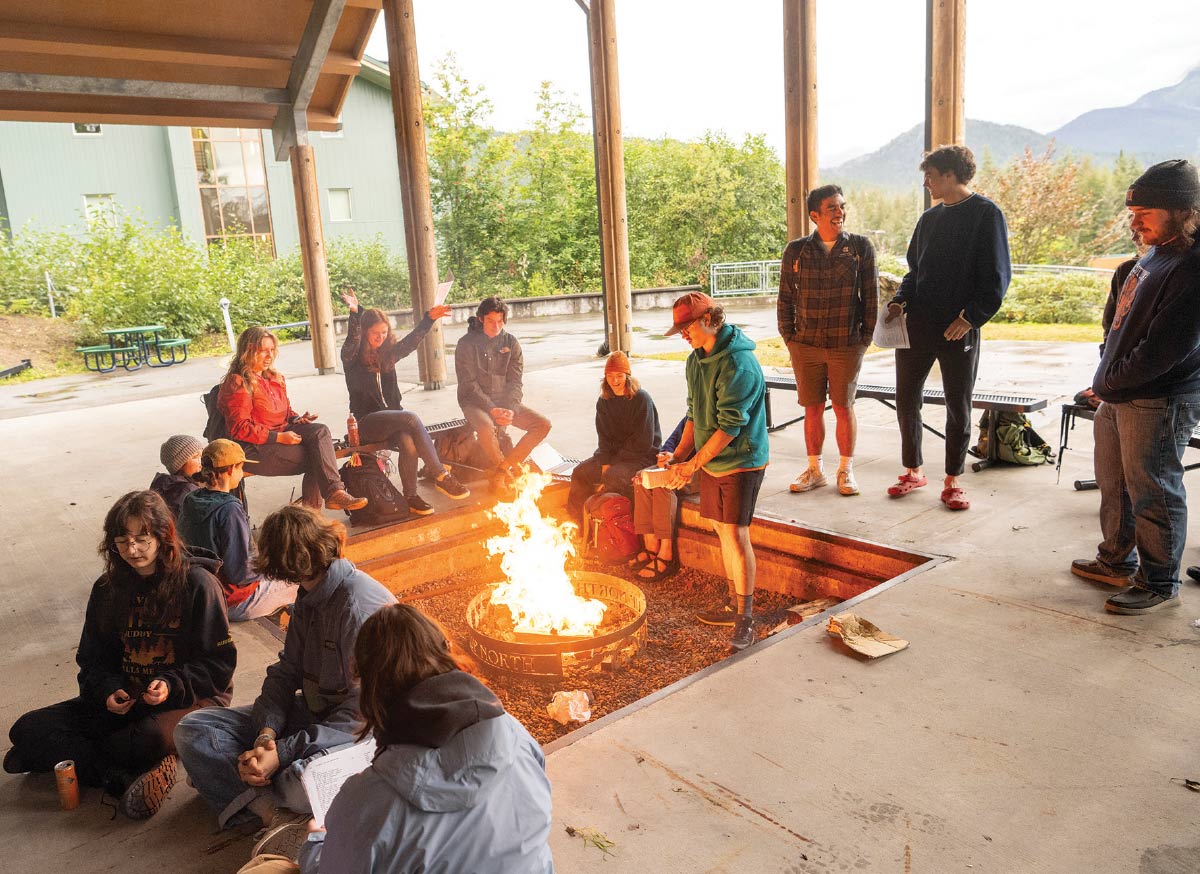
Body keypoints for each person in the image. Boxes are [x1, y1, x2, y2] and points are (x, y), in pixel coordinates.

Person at [173, 504, 396, 857]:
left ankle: (240, 788)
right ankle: (270, 813)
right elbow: (286, 670)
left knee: (298, 784)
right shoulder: (309, 594)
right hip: (311, 716)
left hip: (360, 732)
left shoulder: (358, 608)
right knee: (193, 729)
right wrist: (266, 735)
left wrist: (284, 753)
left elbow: (363, 714)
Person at [5, 491, 235, 820]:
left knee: (141, 740)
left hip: (191, 698)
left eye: (142, 539)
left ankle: (69, 759)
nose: (132, 550)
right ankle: (119, 774)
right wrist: (107, 689)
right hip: (129, 698)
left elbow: (219, 665)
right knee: (26, 728)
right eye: (122, 540)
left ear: (163, 536)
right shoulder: (107, 589)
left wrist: (170, 684)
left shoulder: (198, 584)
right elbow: (93, 659)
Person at [295, 604, 553, 874]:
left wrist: (315, 844)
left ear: (370, 686)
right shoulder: (516, 734)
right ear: (444, 653)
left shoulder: (367, 801)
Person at [1071, 159, 1200, 614]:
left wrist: (1111, 382)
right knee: (1117, 484)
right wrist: (1103, 383)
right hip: (1122, 392)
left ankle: (1159, 581)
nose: (1134, 220)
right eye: (1133, 210)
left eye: (1145, 211)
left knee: (1154, 489)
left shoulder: (1191, 265)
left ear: (1182, 211)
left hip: (1158, 397)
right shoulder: (1156, 252)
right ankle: (1116, 560)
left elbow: (1162, 350)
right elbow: (1124, 327)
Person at [883, 144, 1011, 511]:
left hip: (959, 329)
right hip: (917, 326)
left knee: (958, 404)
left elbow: (997, 278)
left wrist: (969, 317)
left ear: (951, 175)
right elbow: (914, 272)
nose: (926, 183)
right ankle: (913, 470)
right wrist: (899, 301)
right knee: (906, 399)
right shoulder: (928, 219)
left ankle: (953, 480)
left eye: (931, 176)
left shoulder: (987, 215)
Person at [660, 291, 768, 651]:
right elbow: (693, 413)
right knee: (722, 531)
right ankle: (732, 600)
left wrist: (692, 464)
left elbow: (729, 427)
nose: (682, 335)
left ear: (709, 319)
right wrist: (677, 456)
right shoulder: (695, 360)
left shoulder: (739, 365)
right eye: (679, 329)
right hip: (711, 460)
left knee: (737, 535)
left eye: (686, 327)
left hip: (741, 460)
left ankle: (746, 617)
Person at [778, 184, 878, 497]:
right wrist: (790, 337)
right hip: (804, 344)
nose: (840, 213)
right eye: (832, 208)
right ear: (815, 215)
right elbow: (784, 298)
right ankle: (815, 470)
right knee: (812, 407)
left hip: (845, 343)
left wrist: (863, 339)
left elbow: (871, 297)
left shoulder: (860, 248)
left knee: (843, 406)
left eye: (842, 206)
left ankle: (845, 470)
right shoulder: (796, 251)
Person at [339, 289, 469, 516]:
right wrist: (354, 312)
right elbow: (352, 340)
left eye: (384, 332)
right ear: (365, 333)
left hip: (392, 421)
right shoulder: (351, 358)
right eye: (374, 334)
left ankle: (411, 497)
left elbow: (411, 342)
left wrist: (429, 319)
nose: (380, 338)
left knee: (408, 442)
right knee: (410, 418)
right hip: (367, 422)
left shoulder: (388, 355)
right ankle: (440, 474)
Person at [219, 326, 367, 512]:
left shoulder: (274, 378)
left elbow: (286, 411)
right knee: (319, 456)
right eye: (264, 351)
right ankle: (313, 517)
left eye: (272, 350)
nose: (269, 356)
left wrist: (296, 419)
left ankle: (334, 494)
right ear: (248, 351)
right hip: (253, 448)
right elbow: (239, 428)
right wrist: (279, 438)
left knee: (320, 432)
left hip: (282, 433)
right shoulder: (238, 382)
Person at [176, 439, 299, 622]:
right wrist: (271, 564)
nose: (242, 474)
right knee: (298, 581)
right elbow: (240, 574)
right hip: (228, 601)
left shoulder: (190, 498)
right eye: (241, 468)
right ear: (232, 469)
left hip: (197, 591)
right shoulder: (229, 509)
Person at [455, 296, 552, 488]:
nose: (496, 326)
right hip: (474, 402)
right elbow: (469, 384)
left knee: (542, 425)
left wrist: (511, 409)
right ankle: (506, 472)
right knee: (485, 427)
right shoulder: (466, 344)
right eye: (491, 321)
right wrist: (492, 409)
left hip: (504, 401)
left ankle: (502, 469)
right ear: (481, 319)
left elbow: (515, 381)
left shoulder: (511, 342)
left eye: (500, 321)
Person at [567, 351, 661, 524]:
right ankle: (576, 526)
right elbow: (603, 437)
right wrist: (605, 462)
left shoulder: (641, 399)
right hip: (614, 457)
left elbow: (643, 442)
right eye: (610, 376)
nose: (615, 381)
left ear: (628, 376)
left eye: (619, 376)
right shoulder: (604, 401)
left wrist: (612, 464)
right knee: (580, 473)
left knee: (613, 477)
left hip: (641, 457)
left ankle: (610, 529)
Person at [629, 414, 692, 581]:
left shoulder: (717, 413)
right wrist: (667, 454)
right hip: (677, 464)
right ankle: (651, 546)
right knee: (641, 477)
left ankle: (666, 553)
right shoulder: (692, 415)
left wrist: (681, 464)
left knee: (663, 482)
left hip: (701, 468)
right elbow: (672, 441)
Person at [150, 434, 203, 516]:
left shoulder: (162, 484)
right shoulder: (187, 493)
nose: (201, 461)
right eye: (196, 457)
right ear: (180, 464)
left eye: (202, 455)